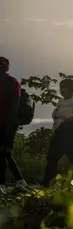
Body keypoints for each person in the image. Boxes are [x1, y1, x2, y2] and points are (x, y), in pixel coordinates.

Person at [42, 79, 73, 186]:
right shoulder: (61, 102)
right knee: (52, 157)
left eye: (64, 88)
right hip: (60, 132)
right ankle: (47, 182)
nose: (62, 90)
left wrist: (67, 121)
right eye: (61, 87)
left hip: (72, 133)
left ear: (71, 89)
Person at [0, 57, 29, 194]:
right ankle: (20, 181)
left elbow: (14, 106)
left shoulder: (13, 83)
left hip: (9, 124)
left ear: (5, 67)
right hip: (2, 124)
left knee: (4, 153)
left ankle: (3, 184)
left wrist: (9, 125)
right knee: (5, 154)